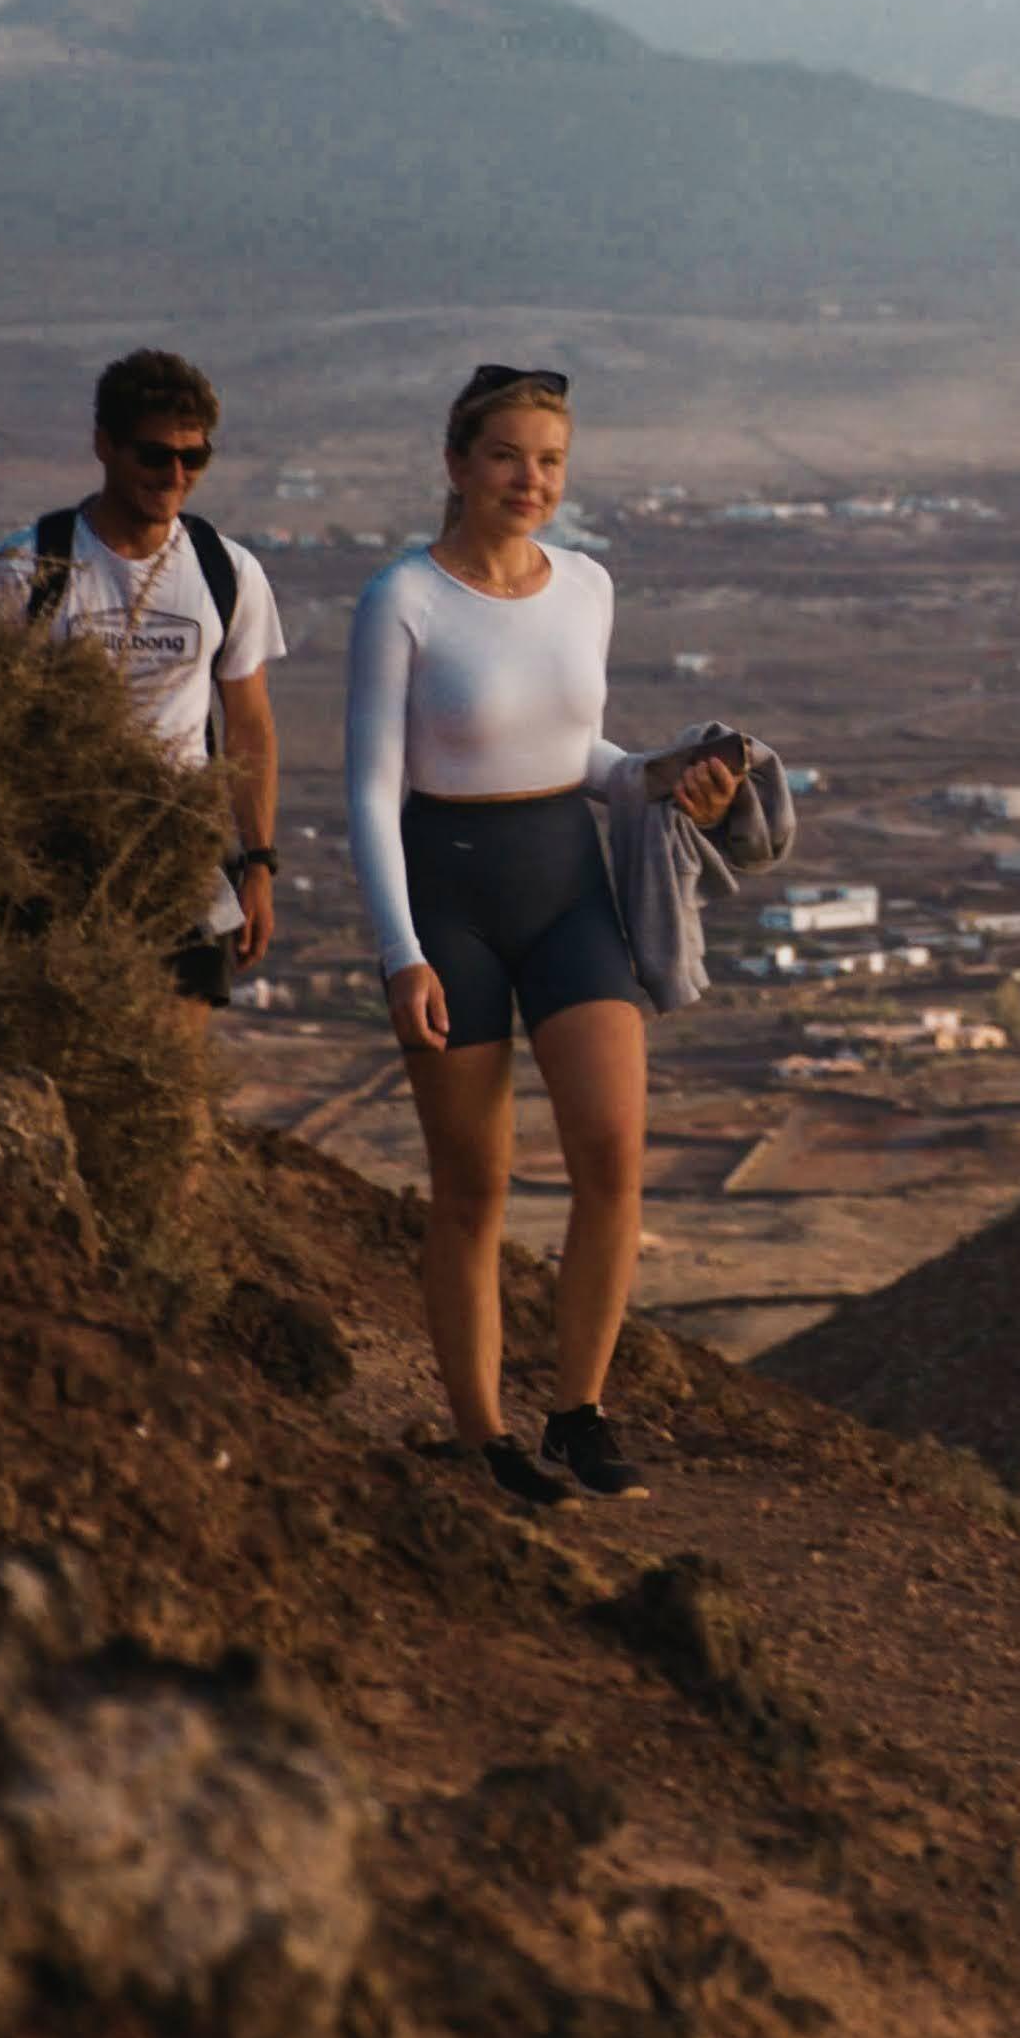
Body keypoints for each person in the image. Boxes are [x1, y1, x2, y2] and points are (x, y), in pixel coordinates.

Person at [345, 362, 741, 1512]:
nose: (532, 478)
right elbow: (371, 789)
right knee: (473, 1185)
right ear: (458, 464)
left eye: (551, 459)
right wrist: (397, 948)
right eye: (509, 454)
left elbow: (580, 755)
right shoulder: (402, 598)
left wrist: (662, 778)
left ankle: (578, 1411)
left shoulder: (587, 586)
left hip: (570, 891)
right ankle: (482, 1434)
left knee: (613, 1159)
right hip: (448, 899)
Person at [0, 345, 285, 1005]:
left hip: (182, 858)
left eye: (193, 457)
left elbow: (250, 727)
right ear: (105, 445)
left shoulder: (227, 572)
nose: (174, 473)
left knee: (172, 1067)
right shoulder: (25, 569)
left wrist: (258, 863)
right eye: (153, 454)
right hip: (55, 859)